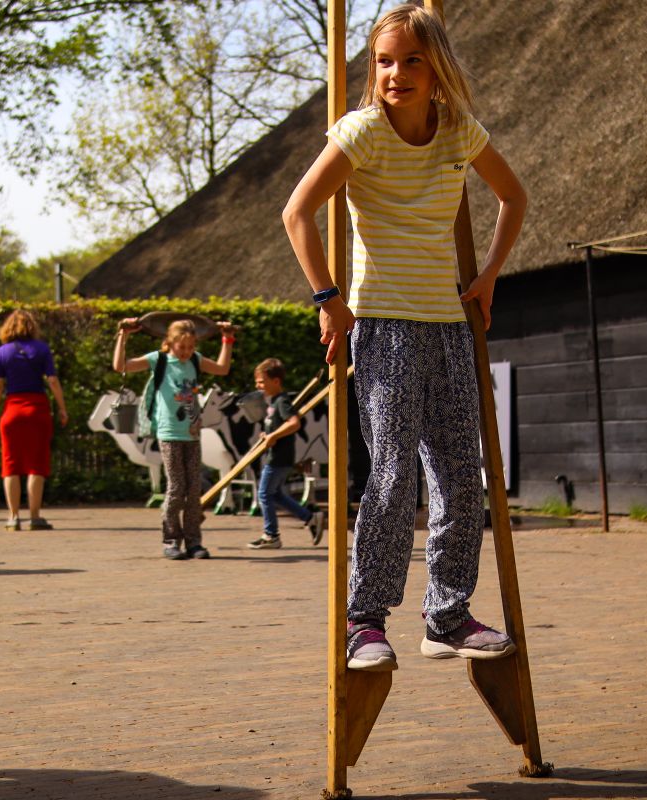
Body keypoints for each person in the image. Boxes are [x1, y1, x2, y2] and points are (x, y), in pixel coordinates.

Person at [282, 5, 528, 670]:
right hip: (384, 328)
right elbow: (296, 212)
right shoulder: (360, 133)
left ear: (435, 67)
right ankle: (364, 620)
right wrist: (328, 300)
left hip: (449, 325)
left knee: (459, 478)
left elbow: (514, 197)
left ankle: (445, 615)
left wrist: (487, 277)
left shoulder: (456, 131)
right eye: (384, 61)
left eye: (412, 60)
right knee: (391, 477)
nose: (396, 74)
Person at [113, 317, 235, 559]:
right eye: (182, 347)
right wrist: (123, 336)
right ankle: (171, 540)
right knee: (177, 487)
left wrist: (227, 340)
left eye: (191, 347)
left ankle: (193, 542)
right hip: (169, 434)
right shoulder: (157, 360)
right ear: (169, 342)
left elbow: (222, 369)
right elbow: (121, 366)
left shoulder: (195, 361)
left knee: (193, 488)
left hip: (192, 434)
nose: (186, 352)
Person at [0, 310, 68, 530]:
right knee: (36, 464)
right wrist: (62, 408)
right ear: (32, 327)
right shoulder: (42, 349)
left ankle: (13, 517)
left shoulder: (2, 352)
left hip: (12, 411)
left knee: (10, 465)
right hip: (37, 409)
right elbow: (52, 381)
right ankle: (34, 516)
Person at [246, 358, 325, 550]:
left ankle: (271, 535)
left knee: (264, 494)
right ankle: (310, 518)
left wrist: (273, 435)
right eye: (257, 382)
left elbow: (294, 423)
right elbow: (278, 427)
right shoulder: (273, 402)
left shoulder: (282, 401)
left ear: (276, 381)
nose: (258, 386)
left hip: (279, 458)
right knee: (277, 495)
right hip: (278, 456)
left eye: (262, 382)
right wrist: (268, 434)